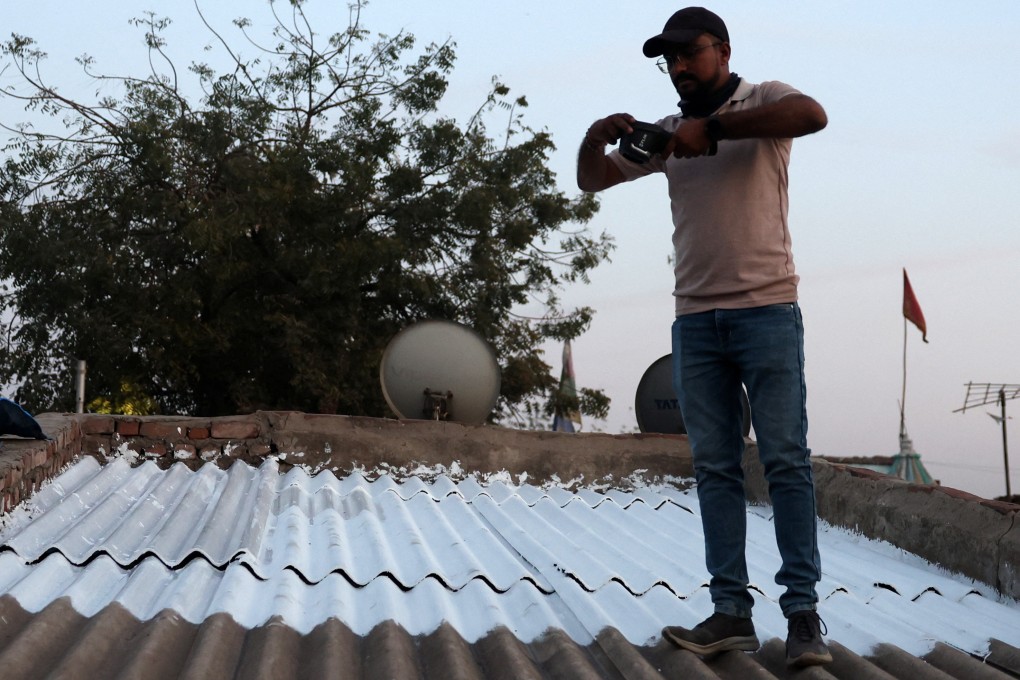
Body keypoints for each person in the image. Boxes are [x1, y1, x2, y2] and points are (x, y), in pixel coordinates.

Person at [576, 7, 831, 668]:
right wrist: (595, 136)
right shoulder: (664, 134)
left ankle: (803, 617)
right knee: (714, 467)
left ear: (721, 50)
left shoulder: (765, 100)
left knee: (784, 460)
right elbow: (591, 178)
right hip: (695, 321)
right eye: (670, 59)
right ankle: (731, 615)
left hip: (768, 309)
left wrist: (712, 128)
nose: (679, 67)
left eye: (689, 53)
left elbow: (813, 115)